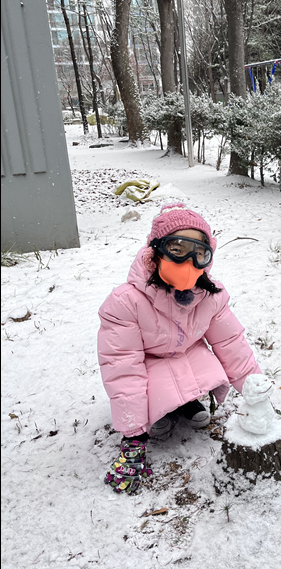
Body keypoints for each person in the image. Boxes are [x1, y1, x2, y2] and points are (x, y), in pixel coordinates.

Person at [97, 203, 262, 494]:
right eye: (177, 249)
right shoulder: (125, 302)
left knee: (205, 362)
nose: (188, 261)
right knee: (152, 378)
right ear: (155, 252)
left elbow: (231, 343)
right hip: (149, 366)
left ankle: (185, 401)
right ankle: (157, 411)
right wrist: (133, 436)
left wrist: (255, 390)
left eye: (199, 253)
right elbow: (123, 368)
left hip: (187, 356)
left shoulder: (210, 295)